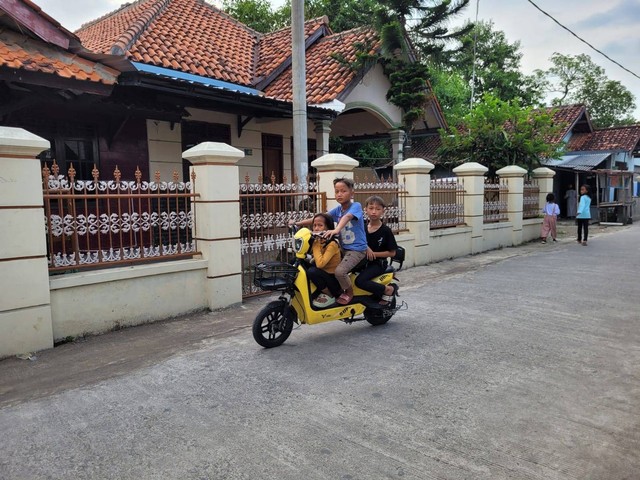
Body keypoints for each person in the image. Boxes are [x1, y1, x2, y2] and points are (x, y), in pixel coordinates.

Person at [293, 177, 367, 305]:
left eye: (343, 191)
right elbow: (321, 218)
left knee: (340, 271)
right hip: (344, 248)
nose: (339, 194)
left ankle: (348, 292)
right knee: (313, 263)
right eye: (337, 191)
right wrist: (298, 223)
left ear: (351, 193)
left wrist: (336, 229)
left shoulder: (356, 206)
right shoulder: (338, 210)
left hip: (356, 250)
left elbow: (347, 217)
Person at [355, 196, 399, 305]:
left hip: (377, 264)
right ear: (365, 209)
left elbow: (392, 252)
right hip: (361, 261)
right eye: (371, 208)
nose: (374, 212)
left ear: (383, 211)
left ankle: (388, 290)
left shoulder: (385, 231)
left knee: (360, 281)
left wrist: (374, 254)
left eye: (377, 209)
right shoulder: (362, 227)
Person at [306, 213, 342, 308]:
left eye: (320, 225)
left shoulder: (332, 244)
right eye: (314, 225)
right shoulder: (319, 240)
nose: (316, 229)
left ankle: (330, 295)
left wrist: (315, 245)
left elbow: (320, 264)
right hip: (324, 275)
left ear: (328, 228)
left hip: (333, 280)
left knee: (312, 271)